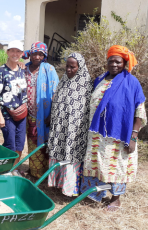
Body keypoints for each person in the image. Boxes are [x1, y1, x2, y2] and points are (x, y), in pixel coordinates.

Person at [80, 45, 146, 211]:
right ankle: (97, 194)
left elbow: (140, 111)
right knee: (98, 164)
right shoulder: (100, 79)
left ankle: (115, 199)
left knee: (116, 166)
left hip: (118, 135)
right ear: (107, 62)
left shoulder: (132, 82)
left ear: (124, 63)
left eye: (118, 62)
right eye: (111, 61)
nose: (114, 65)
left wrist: (134, 136)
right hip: (97, 134)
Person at [47, 53, 93, 196]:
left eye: (72, 67)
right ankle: (56, 183)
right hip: (59, 127)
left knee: (71, 155)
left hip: (75, 130)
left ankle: (69, 188)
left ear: (80, 67)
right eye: (67, 66)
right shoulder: (64, 80)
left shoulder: (86, 84)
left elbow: (85, 111)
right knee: (57, 152)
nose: (68, 69)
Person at [22, 42, 59, 178]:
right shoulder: (24, 69)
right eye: (34, 53)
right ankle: (35, 171)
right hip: (27, 114)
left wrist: (52, 114)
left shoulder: (49, 69)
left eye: (40, 54)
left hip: (45, 114)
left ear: (44, 55)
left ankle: (47, 174)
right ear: (30, 54)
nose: (37, 57)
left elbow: (56, 92)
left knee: (45, 143)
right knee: (32, 143)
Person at [0, 40, 27, 165]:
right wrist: (0, 116)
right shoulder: (1, 71)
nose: (15, 54)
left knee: (20, 144)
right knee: (10, 144)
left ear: (22, 53)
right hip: (7, 114)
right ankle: (4, 169)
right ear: (7, 52)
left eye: (18, 51)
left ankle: (14, 169)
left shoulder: (23, 70)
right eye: (12, 51)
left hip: (21, 114)